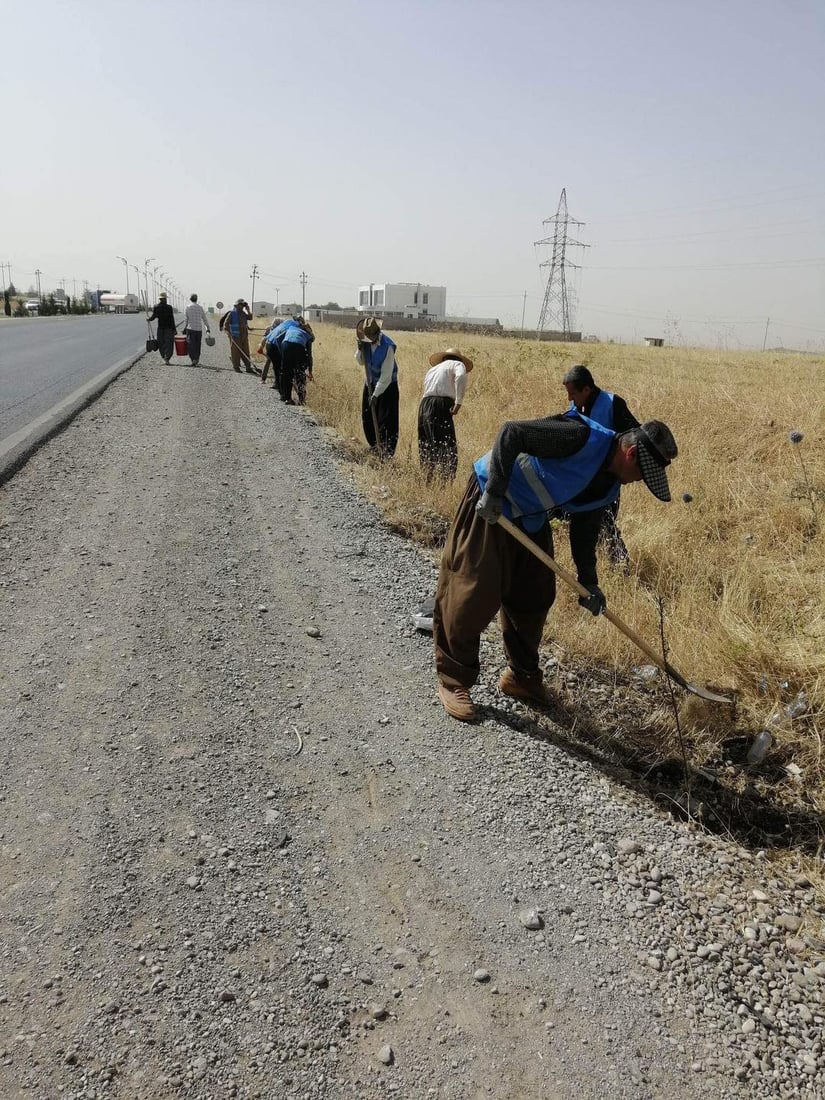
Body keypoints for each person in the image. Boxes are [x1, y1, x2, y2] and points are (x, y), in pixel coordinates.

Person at [433, 411, 678, 722]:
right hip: (492, 500)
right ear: (630, 454)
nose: (639, 481)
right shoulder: (578, 436)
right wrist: (494, 491)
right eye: (643, 474)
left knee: (535, 594)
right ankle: (453, 679)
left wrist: (589, 582)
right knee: (473, 589)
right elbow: (511, 432)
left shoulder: (609, 484)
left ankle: (521, 676)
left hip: (530, 515)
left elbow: (585, 531)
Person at [563, 364, 639, 566]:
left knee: (606, 525)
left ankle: (622, 567)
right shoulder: (576, 407)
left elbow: (636, 437)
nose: (569, 398)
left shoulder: (613, 404)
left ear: (586, 389)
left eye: (573, 393)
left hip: (606, 481)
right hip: (582, 479)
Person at [418, 347, 474, 481]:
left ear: (444, 358)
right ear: (459, 359)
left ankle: (428, 477)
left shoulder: (433, 369)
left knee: (426, 442)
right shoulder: (458, 364)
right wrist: (458, 403)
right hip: (440, 405)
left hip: (424, 404)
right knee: (446, 444)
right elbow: (461, 375)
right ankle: (445, 481)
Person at [355, 316, 399, 458]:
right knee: (367, 416)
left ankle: (386, 453)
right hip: (370, 383)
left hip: (387, 387)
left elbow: (386, 376)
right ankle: (374, 447)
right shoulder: (364, 341)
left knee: (386, 420)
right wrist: (360, 350)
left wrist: (375, 395)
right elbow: (361, 362)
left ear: (377, 333)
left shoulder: (388, 346)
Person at [278, 317, 315, 405]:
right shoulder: (308, 336)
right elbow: (309, 355)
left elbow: (278, 338)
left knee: (287, 373)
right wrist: (310, 371)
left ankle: (287, 398)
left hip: (285, 346)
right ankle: (302, 400)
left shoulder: (291, 328)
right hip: (298, 348)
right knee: (300, 374)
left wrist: (282, 354)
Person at [219, 299, 258, 374]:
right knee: (235, 352)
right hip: (235, 336)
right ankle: (236, 367)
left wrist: (248, 310)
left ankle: (248, 367)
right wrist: (229, 333)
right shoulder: (232, 314)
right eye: (240, 305)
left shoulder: (243, 313)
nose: (242, 306)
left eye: (243, 305)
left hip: (244, 336)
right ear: (236, 306)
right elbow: (226, 325)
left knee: (246, 351)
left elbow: (250, 318)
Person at [147, 291, 176, 364]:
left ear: (160, 299)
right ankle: (167, 357)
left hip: (161, 328)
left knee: (161, 343)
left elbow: (153, 317)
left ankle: (164, 356)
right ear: (165, 299)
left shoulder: (156, 307)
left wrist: (149, 319)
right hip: (169, 328)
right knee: (169, 344)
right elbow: (172, 319)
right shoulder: (169, 307)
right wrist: (174, 329)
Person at [183, 293, 211, 367]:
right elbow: (204, 319)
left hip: (190, 329)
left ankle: (193, 359)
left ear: (190, 299)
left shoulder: (188, 307)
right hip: (198, 330)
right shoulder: (200, 308)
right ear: (196, 299)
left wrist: (184, 328)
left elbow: (186, 319)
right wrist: (208, 328)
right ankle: (196, 358)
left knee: (190, 345)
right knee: (197, 344)